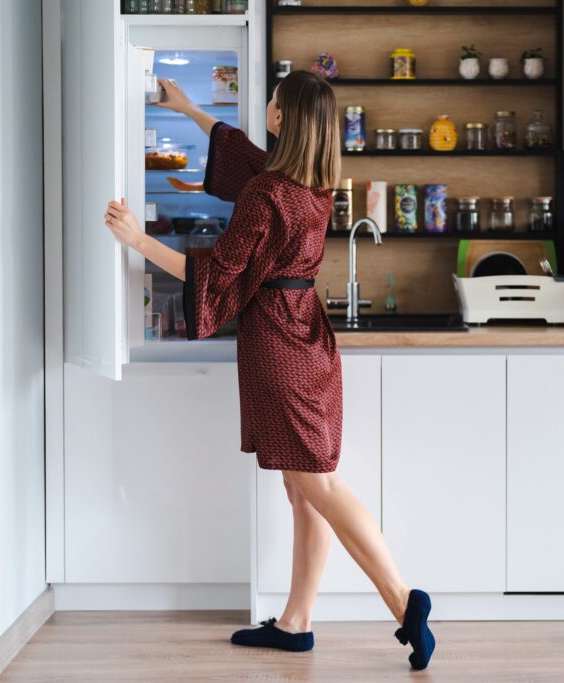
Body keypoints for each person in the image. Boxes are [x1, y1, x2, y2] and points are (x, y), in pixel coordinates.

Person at [103, 71, 434, 671]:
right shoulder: (310, 183)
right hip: (306, 336)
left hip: (278, 345)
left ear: (285, 118)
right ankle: (296, 623)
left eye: (274, 102)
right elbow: (249, 160)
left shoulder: (267, 195)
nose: (267, 108)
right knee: (301, 484)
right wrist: (190, 110)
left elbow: (218, 275)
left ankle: (403, 599)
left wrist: (137, 240)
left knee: (316, 483)